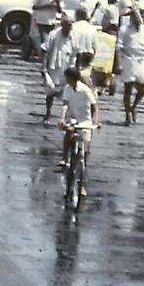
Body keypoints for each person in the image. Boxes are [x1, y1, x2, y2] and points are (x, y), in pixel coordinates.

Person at [58, 65, 99, 195]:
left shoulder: (86, 90)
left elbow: (95, 107)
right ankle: (65, 157)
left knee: (85, 152)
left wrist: (96, 121)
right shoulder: (67, 89)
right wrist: (62, 118)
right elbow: (65, 105)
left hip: (85, 121)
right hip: (73, 119)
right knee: (69, 133)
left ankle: (82, 185)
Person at [117, 5, 144, 125]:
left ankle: (134, 106)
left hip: (142, 60)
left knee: (142, 87)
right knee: (128, 88)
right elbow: (119, 47)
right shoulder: (124, 29)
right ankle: (127, 114)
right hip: (129, 59)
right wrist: (119, 63)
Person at [42, 16, 77, 121]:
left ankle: (66, 116)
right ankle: (48, 112)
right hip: (54, 66)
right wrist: (43, 67)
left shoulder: (74, 36)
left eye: (71, 26)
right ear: (62, 25)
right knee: (50, 91)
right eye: (67, 26)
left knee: (68, 92)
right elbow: (45, 50)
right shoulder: (53, 35)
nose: (69, 28)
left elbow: (77, 52)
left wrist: (77, 69)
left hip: (68, 67)